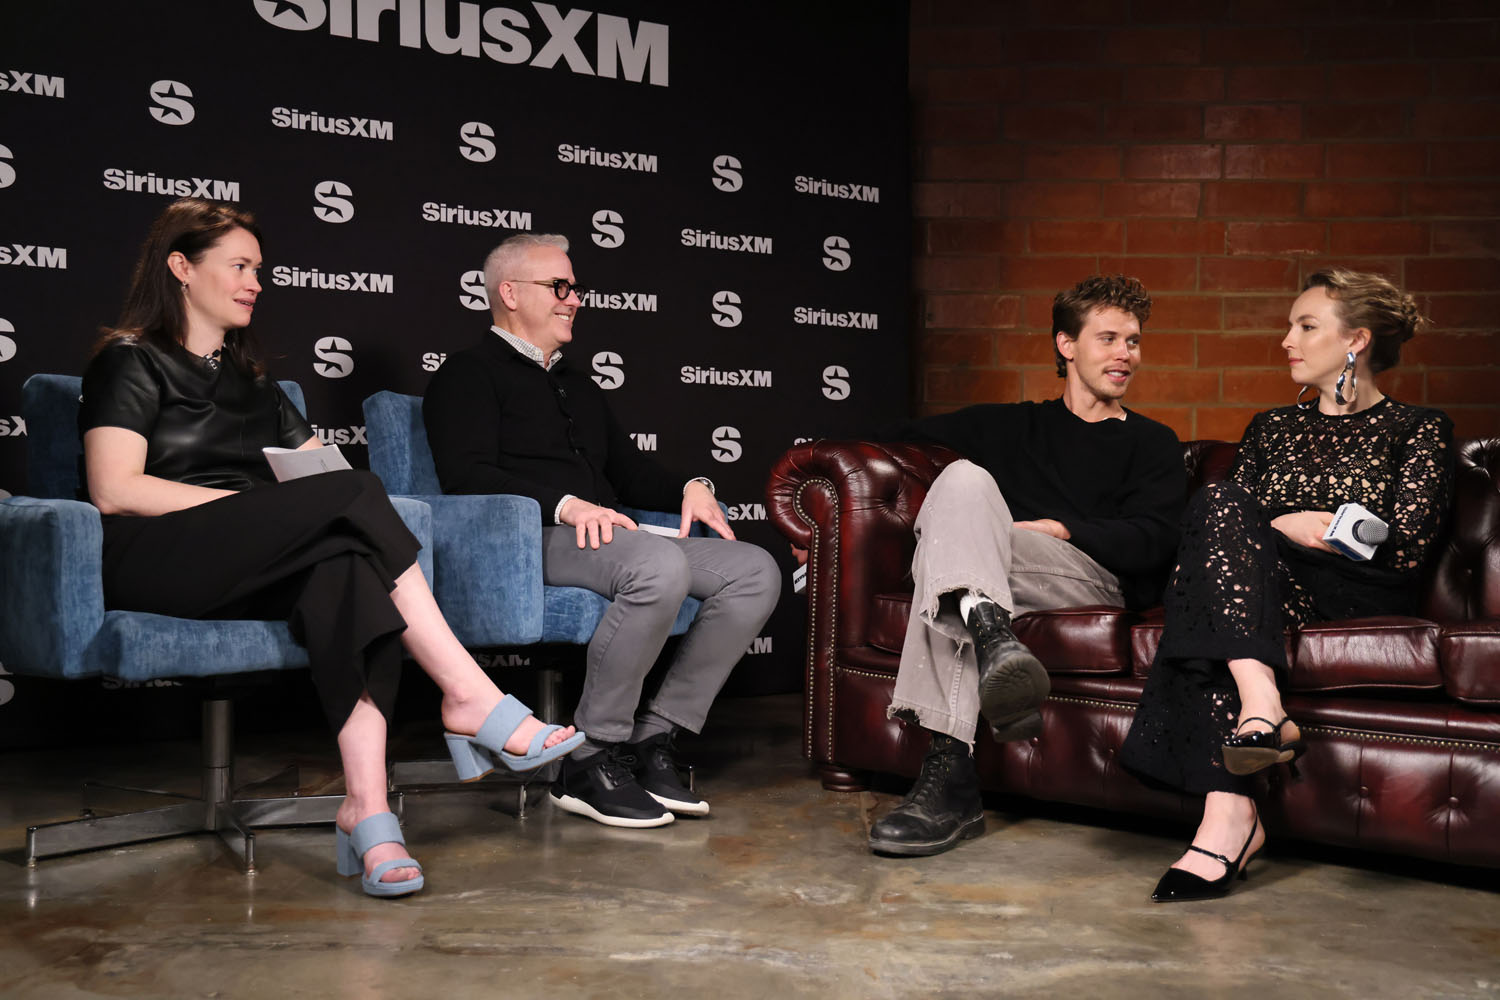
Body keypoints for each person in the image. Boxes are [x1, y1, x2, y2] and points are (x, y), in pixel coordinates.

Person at [79, 199, 582, 899]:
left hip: (247, 560)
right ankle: (470, 696)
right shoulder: (130, 359)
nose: (255, 283)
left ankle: (367, 810)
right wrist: (254, 509)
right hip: (155, 557)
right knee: (353, 498)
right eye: (239, 267)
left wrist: (283, 515)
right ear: (181, 268)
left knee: (346, 568)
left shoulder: (255, 383)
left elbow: (329, 479)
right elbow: (114, 489)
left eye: (259, 270)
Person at [423, 233, 780, 829]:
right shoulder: (466, 373)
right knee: (656, 566)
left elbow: (629, 472)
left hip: (607, 537)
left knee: (754, 571)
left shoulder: (577, 382)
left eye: (575, 287)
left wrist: (691, 485)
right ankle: (589, 758)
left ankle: (653, 737)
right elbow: (466, 476)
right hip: (524, 541)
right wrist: (566, 506)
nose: (574, 299)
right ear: (509, 293)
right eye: (558, 286)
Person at [1119, 268, 1453, 901]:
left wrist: (1306, 527)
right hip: (1267, 587)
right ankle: (1258, 716)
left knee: (1214, 603)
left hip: (1355, 591)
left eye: (1305, 326)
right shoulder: (1271, 427)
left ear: (1355, 340)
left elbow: (1406, 548)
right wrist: (1283, 524)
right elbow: (1223, 525)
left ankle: (1235, 807)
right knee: (1217, 506)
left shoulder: (1418, 429)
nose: (1286, 340)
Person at [866, 275, 1186, 857]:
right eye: (1109, 339)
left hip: (1087, 577)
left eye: (1133, 341)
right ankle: (990, 636)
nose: (1125, 354)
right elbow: (883, 440)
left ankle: (950, 776)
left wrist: (1065, 529)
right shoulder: (1010, 426)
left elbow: (1157, 540)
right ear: (1067, 345)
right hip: (997, 569)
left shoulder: (1153, 442)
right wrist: (813, 520)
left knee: (949, 565)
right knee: (962, 479)